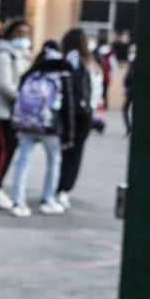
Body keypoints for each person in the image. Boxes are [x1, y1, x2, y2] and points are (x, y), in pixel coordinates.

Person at [10, 41, 76, 217]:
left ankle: (18, 201)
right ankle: (48, 199)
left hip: (26, 124)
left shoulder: (32, 71)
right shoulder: (62, 73)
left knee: (23, 161)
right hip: (51, 127)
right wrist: (68, 134)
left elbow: (18, 98)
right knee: (54, 161)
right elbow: (68, 106)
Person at [0, 19, 32, 210]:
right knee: (5, 147)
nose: (22, 37)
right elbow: (4, 84)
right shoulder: (3, 54)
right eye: (18, 33)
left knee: (8, 147)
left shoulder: (19, 55)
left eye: (25, 33)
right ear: (10, 34)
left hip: (7, 108)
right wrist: (21, 100)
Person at [57, 28, 99, 209]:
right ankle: (64, 189)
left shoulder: (71, 60)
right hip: (86, 113)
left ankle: (60, 188)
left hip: (71, 112)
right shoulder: (91, 63)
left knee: (65, 152)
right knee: (75, 153)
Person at [122, 48, 136, 136]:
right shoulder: (131, 66)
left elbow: (128, 79)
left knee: (125, 109)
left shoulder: (133, 67)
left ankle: (130, 128)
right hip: (131, 91)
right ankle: (130, 128)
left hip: (132, 92)